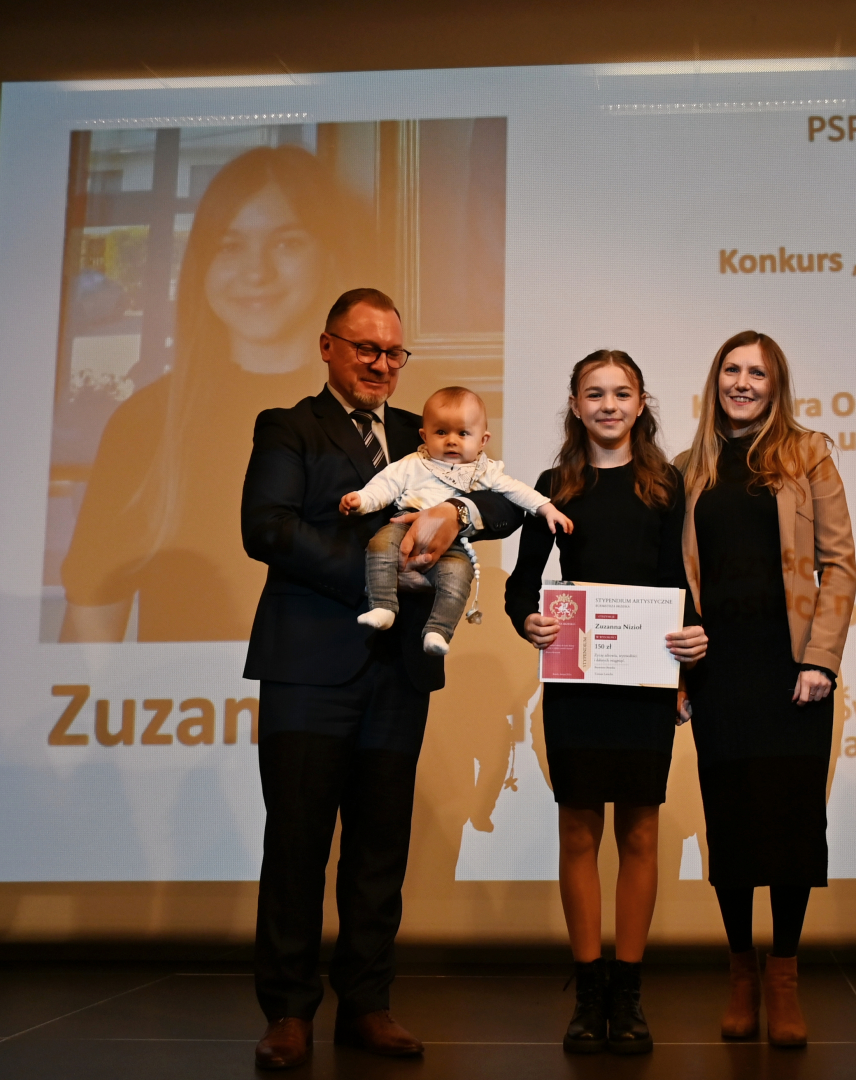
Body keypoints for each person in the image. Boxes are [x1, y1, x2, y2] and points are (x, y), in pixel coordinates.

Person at [241, 287, 525, 1070]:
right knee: (297, 844)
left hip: (396, 672)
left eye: (394, 352)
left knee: (379, 848)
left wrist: (458, 516)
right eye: (366, 348)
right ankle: (288, 1012)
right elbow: (266, 528)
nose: (381, 364)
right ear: (328, 346)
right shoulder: (289, 427)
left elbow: (501, 505)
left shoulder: (421, 433)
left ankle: (367, 1004)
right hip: (308, 667)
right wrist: (383, 574)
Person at [64, 145, 367, 642]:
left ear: (330, 254)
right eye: (229, 246)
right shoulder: (146, 423)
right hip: (187, 697)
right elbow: (89, 637)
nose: (256, 272)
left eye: (286, 243)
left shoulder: (396, 423)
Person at [505, 351, 709, 1055]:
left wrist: (690, 647)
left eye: (622, 393)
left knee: (642, 834)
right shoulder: (553, 486)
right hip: (577, 681)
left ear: (641, 401)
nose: (609, 405)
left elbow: (680, 581)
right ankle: (588, 995)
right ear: (575, 403)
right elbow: (522, 584)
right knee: (578, 834)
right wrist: (529, 621)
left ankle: (629, 993)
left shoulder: (667, 485)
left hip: (646, 680)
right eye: (595, 394)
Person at [678, 330, 856, 1048]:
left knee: (790, 827)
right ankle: (740, 975)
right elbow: (674, 579)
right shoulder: (688, 468)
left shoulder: (808, 454)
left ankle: (783, 976)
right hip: (719, 672)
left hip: (793, 674)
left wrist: (821, 660)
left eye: (757, 373)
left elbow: (839, 564)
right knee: (730, 826)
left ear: (776, 385)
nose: (742, 383)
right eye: (732, 370)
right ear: (715, 379)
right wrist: (678, 671)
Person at [340, 385, 573, 654]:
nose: (451, 440)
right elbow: (384, 486)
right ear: (424, 435)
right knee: (379, 546)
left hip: (452, 542)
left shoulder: (484, 470)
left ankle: (439, 631)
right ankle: (383, 606)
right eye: (441, 432)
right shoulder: (413, 463)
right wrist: (361, 500)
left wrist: (546, 508)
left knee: (459, 574)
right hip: (403, 524)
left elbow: (515, 491)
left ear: (482, 440)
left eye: (463, 433)